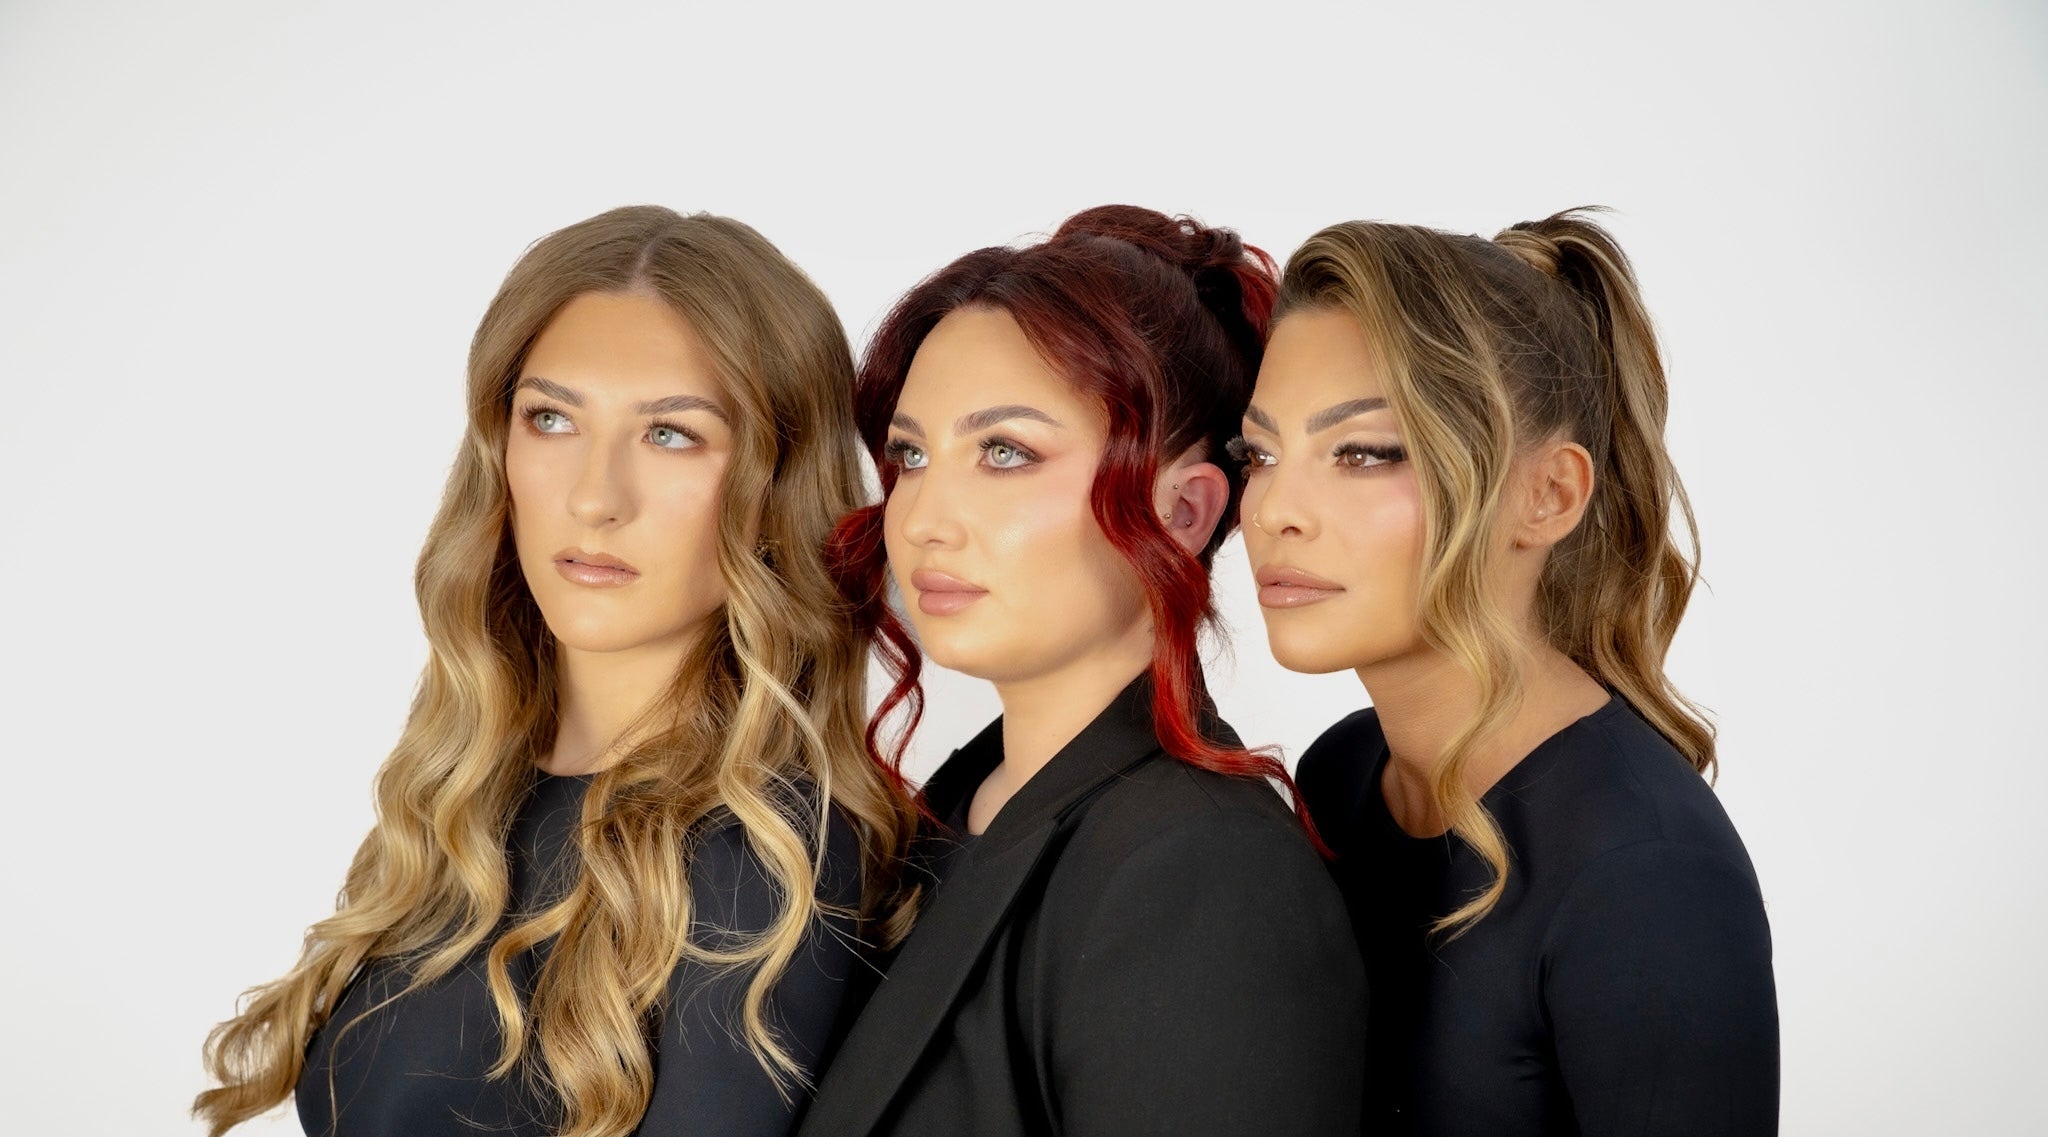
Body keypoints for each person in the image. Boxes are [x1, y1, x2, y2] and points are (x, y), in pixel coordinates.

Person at [193, 206, 918, 1137]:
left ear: (776, 482)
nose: (593, 497)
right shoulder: (465, 793)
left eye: (671, 434)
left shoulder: (762, 854)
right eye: (551, 418)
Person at [799, 205, 1367, 1137]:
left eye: (1005, 452)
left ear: (1185, 509)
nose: (924, 517)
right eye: (911, 453)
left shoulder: (1202, 879)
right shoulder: (953, 810)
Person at [1237, 209, 1778, 1135]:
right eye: (1259, 453)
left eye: (1364, 452)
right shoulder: (1340, 777)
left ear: (1548, 494)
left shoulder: (1647, 876)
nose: (1275, 509)